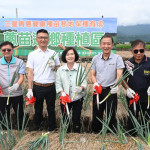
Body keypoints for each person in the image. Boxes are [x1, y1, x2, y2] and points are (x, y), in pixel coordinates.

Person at [26, 29, 60, 131]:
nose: (43, 39)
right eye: (40, 37)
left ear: (48, 39)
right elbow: (30, 72)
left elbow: (59, 69)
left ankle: (52, 129)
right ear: (37, 39)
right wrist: (29, 89)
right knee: (38, 109)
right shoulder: (32, 54)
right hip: (37, 86)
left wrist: (54, 67)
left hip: (50, 86)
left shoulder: (53, 53)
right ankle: (37, 128)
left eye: (45, 37)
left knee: (51, 109)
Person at [91, 34, 125, 133]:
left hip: (111, 91)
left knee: (111, 114)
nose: (106, 46)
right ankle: (96, 134)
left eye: (108, 44)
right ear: (100, 45)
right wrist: (95, 84)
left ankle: (110, 134)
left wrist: (116, 85)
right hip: (98, 91)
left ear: (112, 45)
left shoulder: (117, 58)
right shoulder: (95, 58)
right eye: (104, 44)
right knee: (97, 114)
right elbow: (93, 75)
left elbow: (119, 74)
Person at [56, 47, 87, 133]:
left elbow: (84, 82)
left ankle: (76, 134)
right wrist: (62, 92)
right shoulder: (60, 70)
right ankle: (66, 135)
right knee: (65, 118)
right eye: (68, 54)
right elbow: (58, 84)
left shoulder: (81, 69)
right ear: (64, 57)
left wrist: (81, 88)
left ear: (75, 55)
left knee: (76, 118)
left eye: (72, 54)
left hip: (77, 98)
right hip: (64, 99)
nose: (70, 56)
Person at [123, 39, 150, 135]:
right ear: (131, 51)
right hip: (133, 97)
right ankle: (132, 137)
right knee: (132, 117)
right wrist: (128, 89)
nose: (139, 53)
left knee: (146, 118)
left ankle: (145, 136)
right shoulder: (128, 64)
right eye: (136, 51)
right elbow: (123, 79)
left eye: (141, 51)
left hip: (147, 97)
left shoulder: (149, 62)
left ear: (144, 50)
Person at [0, 41, 25, 129]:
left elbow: (21, 77)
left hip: (17, 93)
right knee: (3, 115)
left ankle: (21, 130)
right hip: (3, 94)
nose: (6, 51)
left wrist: (16, 85)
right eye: (4, 50)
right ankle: (5, 131)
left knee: (19, 114)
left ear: (12, 50)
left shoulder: (19, 62)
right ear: (1, 51)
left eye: (9, 50)